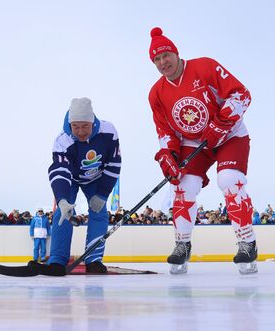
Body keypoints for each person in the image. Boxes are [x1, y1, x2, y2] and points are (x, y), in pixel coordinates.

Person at [147, 27, 257, 274]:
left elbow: (242, 94)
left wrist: (221, 123)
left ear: (175, 53)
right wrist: (169, 156)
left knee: (229, 180)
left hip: (230, 135)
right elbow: (166, 132)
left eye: (166, 55)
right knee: (182, 185)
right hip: (196, 142)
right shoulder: (156, 94)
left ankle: (247, 242)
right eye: (157, 59)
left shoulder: (204, 66)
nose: (163, 62)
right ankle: (182, 245)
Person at [38, 97, 121, 276]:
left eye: (85, 126)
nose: (81, 132)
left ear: (93, 122)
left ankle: (94, 260)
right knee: (63, 214)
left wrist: (103, 194)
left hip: (97, 179)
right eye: (76, 126)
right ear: (70, 124)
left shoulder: (108, 132)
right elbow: (59, 170)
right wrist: (62, 199)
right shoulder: (63, 140)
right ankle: (57, 261)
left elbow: (114, 163)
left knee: (99, 213)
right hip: (71, 179)